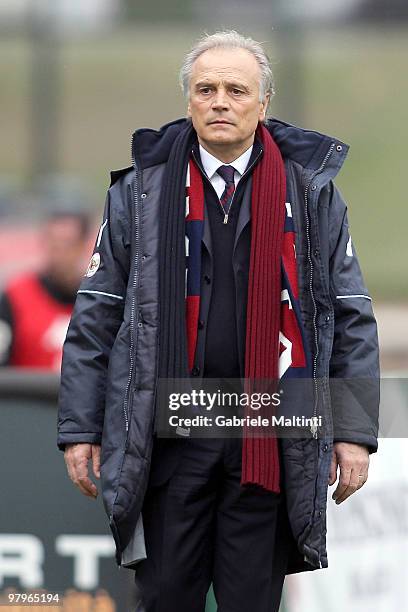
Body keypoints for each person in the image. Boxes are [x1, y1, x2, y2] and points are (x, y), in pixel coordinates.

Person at [57, 31, 380, 612]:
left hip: (271, 432)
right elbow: (97, 310)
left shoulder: (312, 196)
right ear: (188, 102)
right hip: (169, 435)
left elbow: (351, 315)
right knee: (164, 598)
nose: (220, 101)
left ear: (264, 102)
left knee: (252, 602)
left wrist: (354, 434)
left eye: (236, 89)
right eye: (206, 89)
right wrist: (80, 427)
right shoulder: (140, 192)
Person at [0, 211, 90, 370]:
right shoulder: (16, 297)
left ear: (83, 246)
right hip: (27, 393)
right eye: (53, 244)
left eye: (68, 244)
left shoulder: (97, 300)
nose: (60, 254)